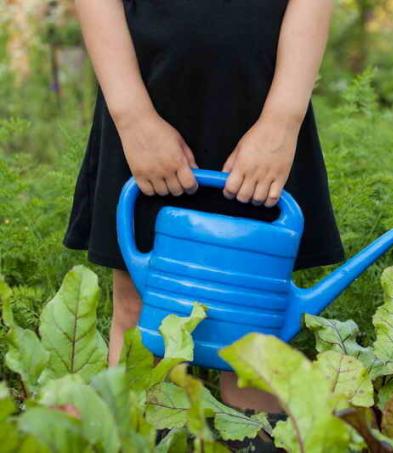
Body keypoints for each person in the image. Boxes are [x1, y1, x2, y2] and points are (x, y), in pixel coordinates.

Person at [64, 0, 343, 417]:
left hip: (260, 103)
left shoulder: (274, 120)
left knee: (252, 323)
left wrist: (282, 122)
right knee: (140, 307)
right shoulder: (137, 116)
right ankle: (136, 436)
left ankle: (262, 436)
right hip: (147, 99)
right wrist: (133, 118)